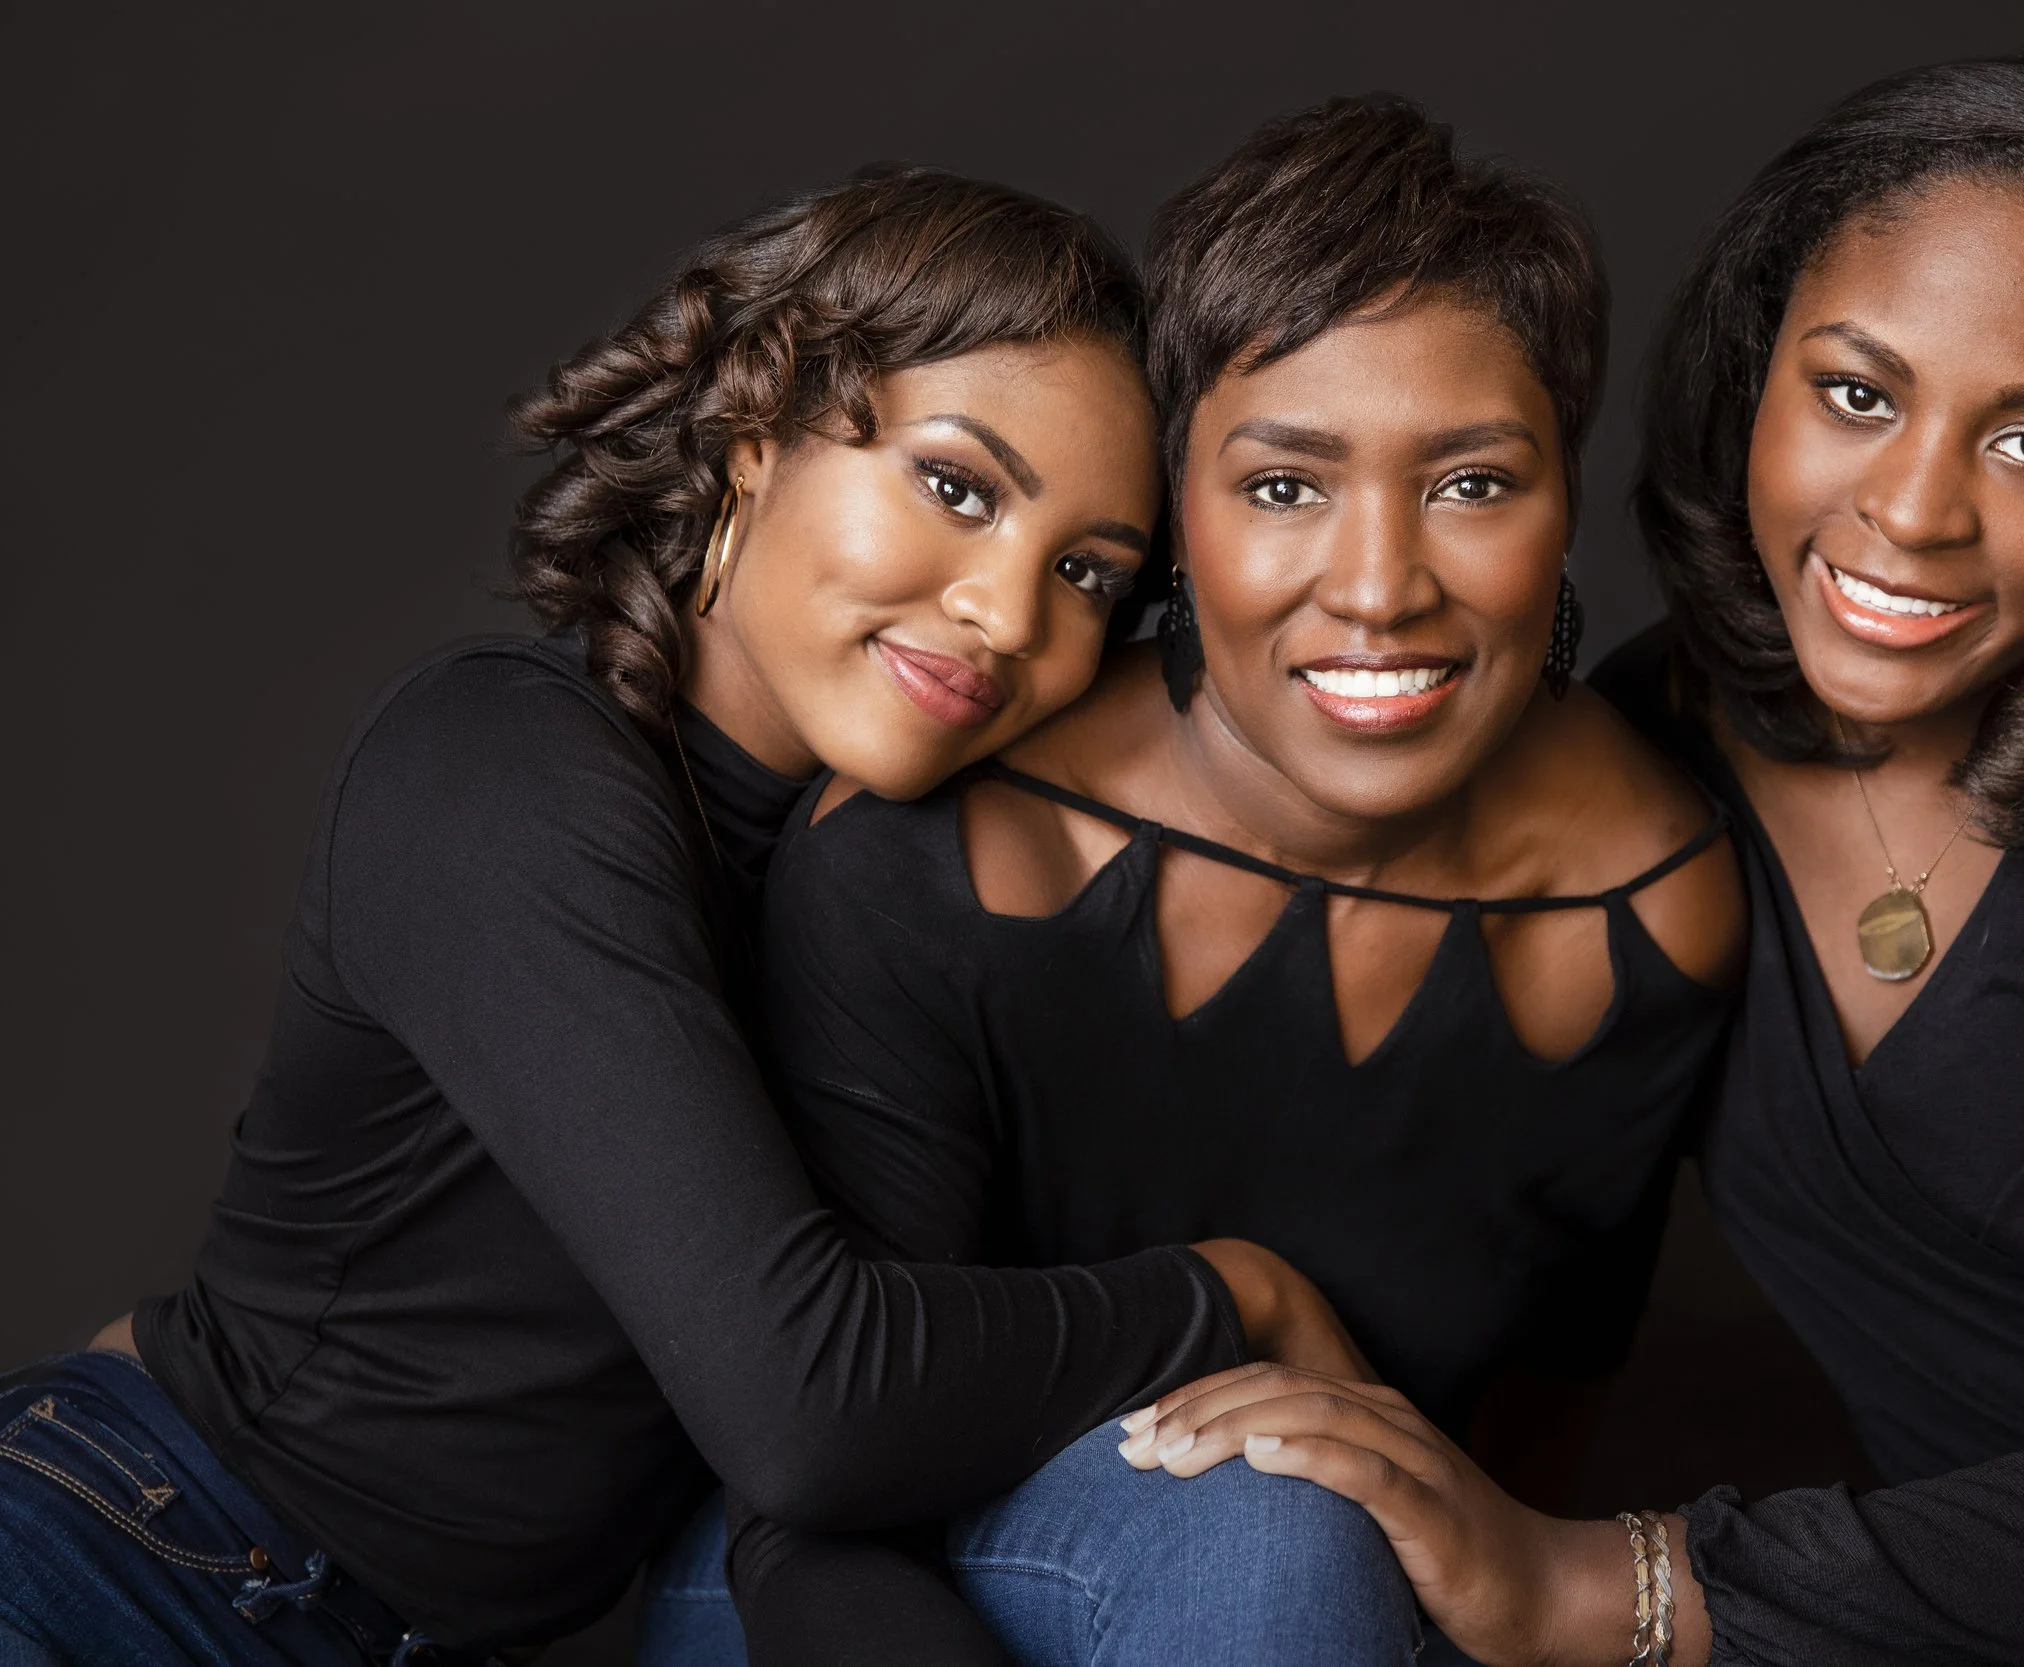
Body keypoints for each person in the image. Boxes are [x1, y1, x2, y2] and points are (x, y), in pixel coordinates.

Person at [1122, 53, 2024, 1666]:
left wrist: (1597, 1586)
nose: (1913, 513)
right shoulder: (1624, 772)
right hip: (1992, 1600)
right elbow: (1518, 1251)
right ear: (1757, 368)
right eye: (1857, 393)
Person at [0, 169, 1360, 1667]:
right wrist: (1235, 1294)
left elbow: (866, 1444)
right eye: (959, 487)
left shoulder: (896, 888)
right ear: (758, 429)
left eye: (1086, 573)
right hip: (128, 1554)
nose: (1006, 609)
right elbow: (815, 1403)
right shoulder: (502, 766)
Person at [686, 97, 1746, 1667]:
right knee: (1271, 1514)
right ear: (1179, 508)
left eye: (1470, 483)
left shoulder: (1648, 910)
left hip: (1322, 1623)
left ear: (1564, 507)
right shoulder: (937, 855)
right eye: (1282, 486)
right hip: (836, 1582)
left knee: (1306, 1527)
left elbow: (1529, 1444)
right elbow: (829, 1488)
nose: (1378, 588)